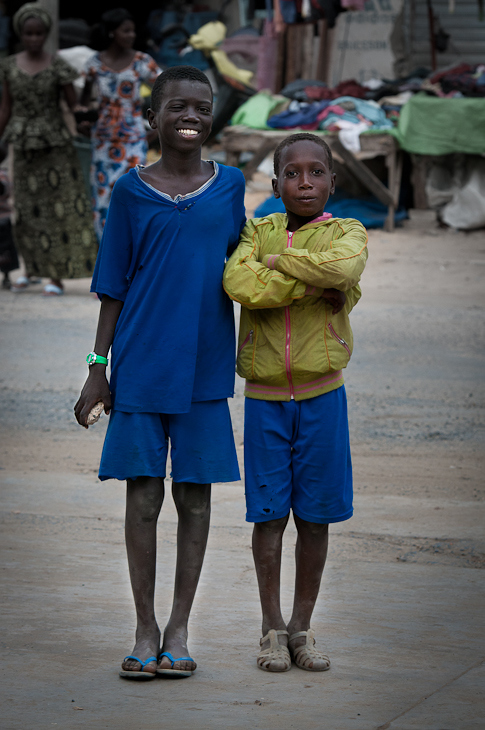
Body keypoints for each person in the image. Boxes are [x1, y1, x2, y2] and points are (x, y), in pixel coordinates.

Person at [74, 66, 246, 680]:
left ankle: (179, 627)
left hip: (204, 369)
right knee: (143, 496)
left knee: (195, 501)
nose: (191, 117)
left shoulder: (230, 187)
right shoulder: (129, 190)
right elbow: (112, 286)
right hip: (142, 364)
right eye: (177, 107)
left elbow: (244, 267)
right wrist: (99, 368)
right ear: (152, 118)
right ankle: (144, 626)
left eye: (201, 107)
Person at [223, 132, 368, 673]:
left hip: (323, 395)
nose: (303, 182)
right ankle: (271, 629)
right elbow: (238, 280)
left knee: (316, 517)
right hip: (264, 399)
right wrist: (307, 281)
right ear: (277, 181)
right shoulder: (258, 229)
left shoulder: (348, 231)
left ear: (333, 180)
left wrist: (277, 265)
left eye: (316, 172)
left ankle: (303, 628)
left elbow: (343, 271)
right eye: (291, 173)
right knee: (269, 516)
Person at [0, 3, 97, 296]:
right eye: (28, 33)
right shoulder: (9, 66)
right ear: (20, 34)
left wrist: (84, 119)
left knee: (60, 210)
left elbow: (72, 104)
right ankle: (29, 270)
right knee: (28, 209)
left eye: (39, 33)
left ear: (46, 34)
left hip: (55, 145)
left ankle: (56, 277)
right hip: (24, 145)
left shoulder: (58, 66)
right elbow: (5, 108)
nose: (33, 39)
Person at [80, 8, 161, 242]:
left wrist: (156, 129)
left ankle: (134, 248)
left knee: (134, 193)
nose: (131, 35)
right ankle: (107, 251)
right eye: (126, 31)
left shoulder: (141, 62)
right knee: (104, 197)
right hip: (103, 141)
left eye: (132, 30)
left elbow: (166, 90)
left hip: (134, 138)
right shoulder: (94, 63)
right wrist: (83, 121)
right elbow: (83, 103)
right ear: (112, 33)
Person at [0, 141, 18, 289]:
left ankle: (6, 276)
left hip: (3, 220)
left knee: (6, 251)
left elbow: (4, 190)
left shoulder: (2, 175)